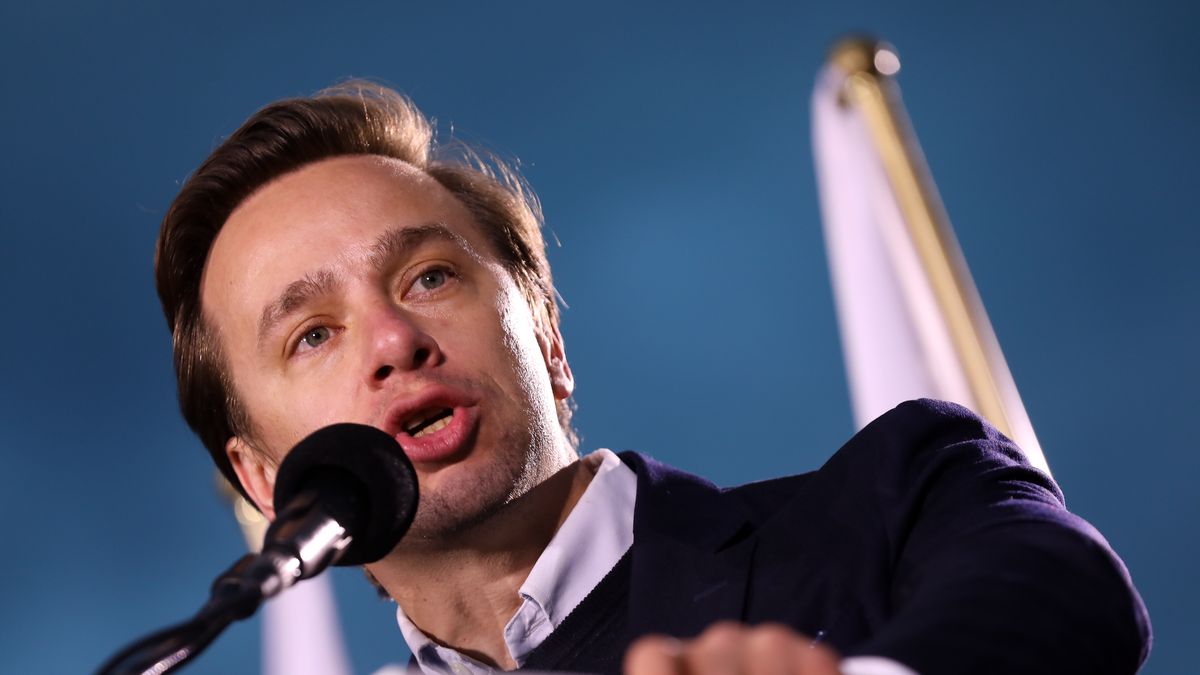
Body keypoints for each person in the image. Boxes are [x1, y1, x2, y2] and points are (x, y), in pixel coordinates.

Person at [154, 82, 1150, 675]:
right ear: (264, 480)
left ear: (546, 337)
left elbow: (1065, 592)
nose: (391, 340)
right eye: (313, 335)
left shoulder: (897, 496)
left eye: (429, 277)